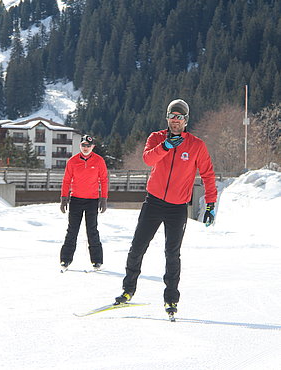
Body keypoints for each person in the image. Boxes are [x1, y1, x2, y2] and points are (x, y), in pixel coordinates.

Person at [114, 99, 217, 316]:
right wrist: (165, 146)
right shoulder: (156, 138)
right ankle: (127, 291)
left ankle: (171, 299)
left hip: (177, 207)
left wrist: (210, 204)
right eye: (172, 116)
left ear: (186, 120)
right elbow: (148, 159)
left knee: (172, 253)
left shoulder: (196, 145)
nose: (175, 120)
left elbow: (207, 174)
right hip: (154, 202)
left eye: (179, 117)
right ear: (167, 118)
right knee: (137, 247)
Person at [60, 134, 108, 270]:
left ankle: (97, 261)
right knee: (72, 230)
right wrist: (64, 198)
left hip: (92, 201)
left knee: (92, 230)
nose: (85, 148)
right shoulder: (72, 161)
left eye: (88, 146)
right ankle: (65, 259)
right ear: (80, 146)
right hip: (76, 200)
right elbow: (66, 180)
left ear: (93, 147)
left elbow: (104, 180)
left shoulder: (99, 161)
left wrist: (103, 198)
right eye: (83, 145)